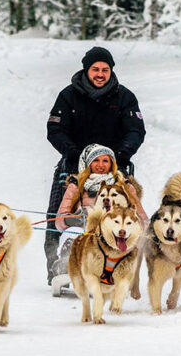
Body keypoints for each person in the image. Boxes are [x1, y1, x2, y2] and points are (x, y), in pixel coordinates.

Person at [44, 46, 146, 283]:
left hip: (114, 166)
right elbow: (55, 129)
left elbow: (135, 130)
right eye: (95, 69)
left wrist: (120, 155)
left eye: (105, 69)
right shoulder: (68, 96)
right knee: (57, 214)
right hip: (74, 164)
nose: (100, 74)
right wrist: (73, 153)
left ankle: (113, 264)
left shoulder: (125, 98)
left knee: (118, 217)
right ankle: (57, 266)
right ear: (86, 70)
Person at [49, 144, 148, 294]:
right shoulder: (76, 186)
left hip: (115, 233)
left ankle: (107, 274)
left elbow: (143, 220)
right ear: (88, 163)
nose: (101, 165)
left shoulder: (125, 187)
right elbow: (59, 220)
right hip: (84, 230)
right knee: (72, 233)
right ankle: (65, 267)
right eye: (96, 161)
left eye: (105, 161)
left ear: (112, 164)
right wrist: (75, 219)